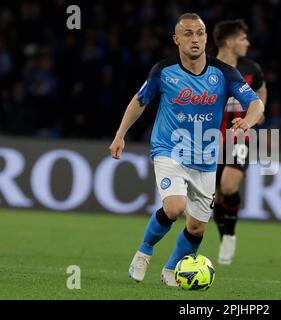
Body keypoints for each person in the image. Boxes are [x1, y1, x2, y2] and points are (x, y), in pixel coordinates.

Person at [108, 13, 264, 285]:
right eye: (188, 33)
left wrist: (248, 121)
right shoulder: (163, 71)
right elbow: (139, 101)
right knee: (175, 207)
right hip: (169, 149)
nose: (195, 38)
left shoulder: (225, 73)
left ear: (206, 37)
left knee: (197, 227)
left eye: (200, 33)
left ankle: (171, 269)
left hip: (205, 158)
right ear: (176, 39)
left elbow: (256, 103)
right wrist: (120, 134)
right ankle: (144, 251)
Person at [212, 19, 267, 265]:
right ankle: (224, 234)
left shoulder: (251, 69)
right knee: (213, 196)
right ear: (229, 41)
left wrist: (256, 114)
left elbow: (261, 95)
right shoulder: (207, 67)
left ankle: (230, 236)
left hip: (240, 137)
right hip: (209, 139)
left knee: (229, 186)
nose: (248, 42)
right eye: (243, 38)